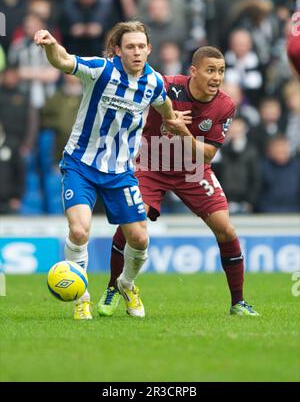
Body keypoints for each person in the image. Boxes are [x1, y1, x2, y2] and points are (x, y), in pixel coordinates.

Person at [98, 46, 260, 317]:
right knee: (133, 223)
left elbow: (208, 153)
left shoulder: (225, 105)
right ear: (193, 71)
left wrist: (182, 131)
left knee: (226, 230)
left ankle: (238, 303)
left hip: (192, 169)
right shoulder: (166, 86)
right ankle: (115, 287)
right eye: (210, 70)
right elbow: (133, 97)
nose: (217, 77)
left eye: (221, 71)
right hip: (151, 164)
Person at [34, 20, 178, 320]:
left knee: (139, 239)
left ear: (149, 49)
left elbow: (164, 105)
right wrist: (50, 45)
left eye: (141, 46)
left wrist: (171, 120)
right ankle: (81, 296)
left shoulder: (154, 83)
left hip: (121, 172)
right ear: (117, 50)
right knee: (79, 229)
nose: (136, 52)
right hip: (81, 165)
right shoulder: (101, 70)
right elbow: (63, 60)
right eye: (130, 47)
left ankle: (126, 283)